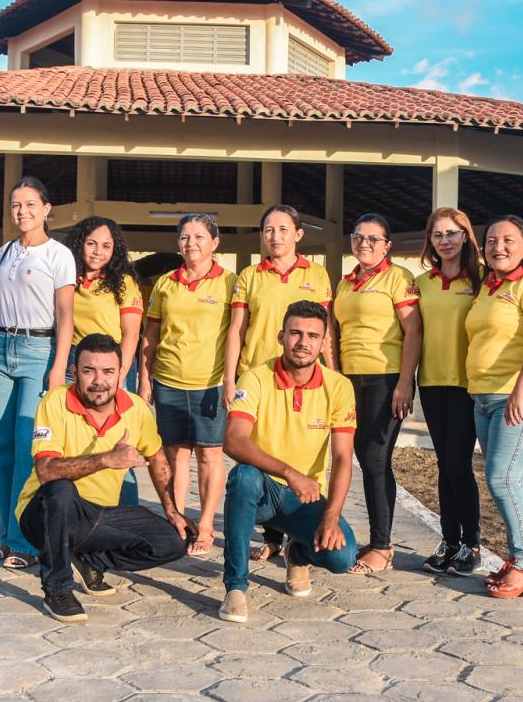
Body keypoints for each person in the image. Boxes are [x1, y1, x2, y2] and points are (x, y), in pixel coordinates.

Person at [16, 335, 189, 622]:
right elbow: (46, 470)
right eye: (89, 371)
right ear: (75, 372)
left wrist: (172, 510)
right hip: (43, 515)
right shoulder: (55, 401)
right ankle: (57, 588)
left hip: (97, 517)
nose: (99, 381)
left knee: (176, 541)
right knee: (60, 489)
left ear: (121, 373)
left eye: (108, 371)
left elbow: (158, 458)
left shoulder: (136, 409)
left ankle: (90, 560)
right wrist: (106, 459)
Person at [219, 301, 358, 623]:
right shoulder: (255, 378)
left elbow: (342, 458)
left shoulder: (338, 386)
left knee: (342, 557)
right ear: (281, 336)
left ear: (324, 343)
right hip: (265, 488)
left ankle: (296, 553)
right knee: (243, 478)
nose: (303, 342)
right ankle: (235, 587)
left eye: (312, 335)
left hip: (305, 497)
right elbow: (234, 440)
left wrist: (331, 517)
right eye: (295, 333)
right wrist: (289, 473)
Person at [0, 178, 77, 569]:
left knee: (26, 448)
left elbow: (66, 315)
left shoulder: (59, 255)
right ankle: (3, 536)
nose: (22, 212)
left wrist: (57, 368)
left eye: (30, 204)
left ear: (46, 209)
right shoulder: (3, 254)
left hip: (39, 352)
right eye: (16, 205)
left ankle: (24, 541)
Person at [224, 204, 333, 564]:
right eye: (269, 230)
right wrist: (230, 378)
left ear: (298, 234)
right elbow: (237, 330)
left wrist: (332, 374)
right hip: (259, 380)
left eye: (284, 230)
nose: (276, 237)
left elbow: (325, 331)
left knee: (298, 447)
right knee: (260, 454)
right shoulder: (249, 275)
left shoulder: (316, 274)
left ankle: (293, 535)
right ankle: (273, 537)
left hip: (304, 379)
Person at [464, 215, 523, 600]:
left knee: (503, 479)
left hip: (519, 398)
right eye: (491, 241)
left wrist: (519, 390)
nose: (498, 247)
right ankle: (517, 560)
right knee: (503, 480)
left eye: (508, 240)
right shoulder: (487, 287)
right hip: (484, 399)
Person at [139, 214, 235, 555]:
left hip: (210, 384)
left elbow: (239, 334)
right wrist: (144, 378)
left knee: (209, 455)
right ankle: (178, 523)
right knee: (175, 455)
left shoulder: (230, 283)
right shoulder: (166, 283)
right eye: (184, 237)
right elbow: (150, 334)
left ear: (214, 242)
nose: (190, 243)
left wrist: (231, 380)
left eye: (198, 237)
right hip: (168, 381)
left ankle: (206, 525)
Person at [331, 213, 421, 575]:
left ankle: (383, 547)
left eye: (373, 239)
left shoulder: (399, 278)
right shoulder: (345, 282)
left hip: (385, 379)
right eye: (358, 237)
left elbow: (413, 332)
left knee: (373, 458)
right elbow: (334, 333)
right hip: (350, 379)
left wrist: (404, 381)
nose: (364, 244)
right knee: (361, 457)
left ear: (387, 245)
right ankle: (378, 540)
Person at [413, 207, 484, 575]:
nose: (445, 240)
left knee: (459, 464)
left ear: (466, 235)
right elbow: (414, 333)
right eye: (437, 234)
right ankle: (449, 541)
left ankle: (472, 543)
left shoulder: (484, 280)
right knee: (444, 464)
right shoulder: (422, 283)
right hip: (431, 382)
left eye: (452, 233)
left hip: (467, 384)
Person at [66, 216, 143, 504]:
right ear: (80, 244)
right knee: (76, 441)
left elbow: (131, 335)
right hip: (73, 365)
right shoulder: (66, 279)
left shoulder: (124, 283)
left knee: (120, 440)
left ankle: (126, 514)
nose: (98, 251)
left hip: (115, 367)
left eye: (106, 246)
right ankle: (80, 512)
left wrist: (118, 377)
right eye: (92, 244)